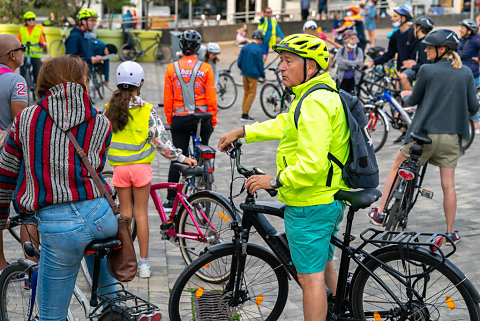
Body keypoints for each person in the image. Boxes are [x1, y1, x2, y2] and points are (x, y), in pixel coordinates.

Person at [218, 33, 350, 321]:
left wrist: (273, 181)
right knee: (325, 266)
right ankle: (345, 311)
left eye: (289, 61)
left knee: (309, 279)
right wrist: (244, 132)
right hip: (326, 199)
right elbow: (286, 123)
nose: (281, 67)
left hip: (310, 204)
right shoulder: (314, 95)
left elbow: (312, 165)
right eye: (282, 61)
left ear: (311, 67)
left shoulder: (314, 103)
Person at [0, 55, 119, 319]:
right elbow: (96, 170)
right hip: (101, 215)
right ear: (82, 81)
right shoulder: (101, 122)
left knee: (51, 315)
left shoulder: (26, 120)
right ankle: (114, 307)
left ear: (45, 81)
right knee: (109, 294)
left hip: (59, 225)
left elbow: (5, 174)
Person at [367, 29, 479, 245]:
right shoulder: (465, 72)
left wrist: (409, 95)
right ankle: (450, 231)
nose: (425, 50)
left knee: (396, 167)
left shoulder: (426, 70)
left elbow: (411, 101)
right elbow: (474, 107)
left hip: (422, 138)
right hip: (450, 139)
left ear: (442, 49)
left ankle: (380, 212)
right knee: (448, 185)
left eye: (429, 47)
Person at [105, 62, 196, 278]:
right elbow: (161, 142)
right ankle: (144, 265)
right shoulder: (146, 109)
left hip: (119, 170)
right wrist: (182, 157)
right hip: (141, 169)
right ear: (140, 83)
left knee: (125, 216)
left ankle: (127, 263)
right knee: (141, 215)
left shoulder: (109, 110)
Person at [163, 30, 217, 210]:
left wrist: (171, 120)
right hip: (202, 119)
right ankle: (202, 197)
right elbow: (211, 97)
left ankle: (171, 200)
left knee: (177, 157)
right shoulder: (206, 68)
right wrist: (213, 120)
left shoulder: (172, 68)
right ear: (197, 48)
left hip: (180, 120)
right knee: (202, 154)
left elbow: (168, 99)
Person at [0, 34, 29, 275]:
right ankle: (31, 264)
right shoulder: (16, 81)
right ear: (12, 55)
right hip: (10, 156)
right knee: (26, 211)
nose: (23, 52)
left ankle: (0, 264)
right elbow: (22, 123)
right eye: (22, 48)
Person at [399, 16, 434, 91]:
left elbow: (425, 66)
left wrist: (411, 66)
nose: (414, 30)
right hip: (424, 72)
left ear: (418, 28)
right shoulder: (424, 41)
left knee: (403, 76)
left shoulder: (423, 43)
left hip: (424, 75)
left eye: (415, 27)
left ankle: (409, 101)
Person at [237, 29, 266, 122]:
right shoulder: (258, 50)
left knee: (246, 93)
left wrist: (243, 69)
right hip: (253, 75)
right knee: (251, 94)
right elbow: (260, 64)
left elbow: (239, 62)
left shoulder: (245, 47)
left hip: (244, 74)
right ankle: (245, 114)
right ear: (260, 39)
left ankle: (243, 112)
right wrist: (263, 75)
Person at [457, 19, 480, 133]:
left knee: (470, 99)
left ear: (469, 31)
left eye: (463, 28)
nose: (460, 29)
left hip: (472, 74)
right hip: (462, 73)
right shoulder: (462, 40)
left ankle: (475, 125)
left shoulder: (476, 40)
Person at [18, 11, 47, 85]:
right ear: (26, 21)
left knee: (37, 74)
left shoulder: (38, 30)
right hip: (24, 55)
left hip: (36, 55)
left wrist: (43, 44)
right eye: (29, 19)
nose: (31, 21)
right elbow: (17, 41)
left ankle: (36, 89)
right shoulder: (21, 30)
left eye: (33, 19)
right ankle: (23, 88)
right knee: (22, 73)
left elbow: (43, 41)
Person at [336, 29, 364, 94]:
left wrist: (345, 61)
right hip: (342, 80)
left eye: (355, 39)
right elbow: (340, 64)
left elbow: (359, 63)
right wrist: (354, 64)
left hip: (354, 79)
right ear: (346, 40)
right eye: (352, 39)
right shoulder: (341, 51)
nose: (354, 41)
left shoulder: (359, 50)